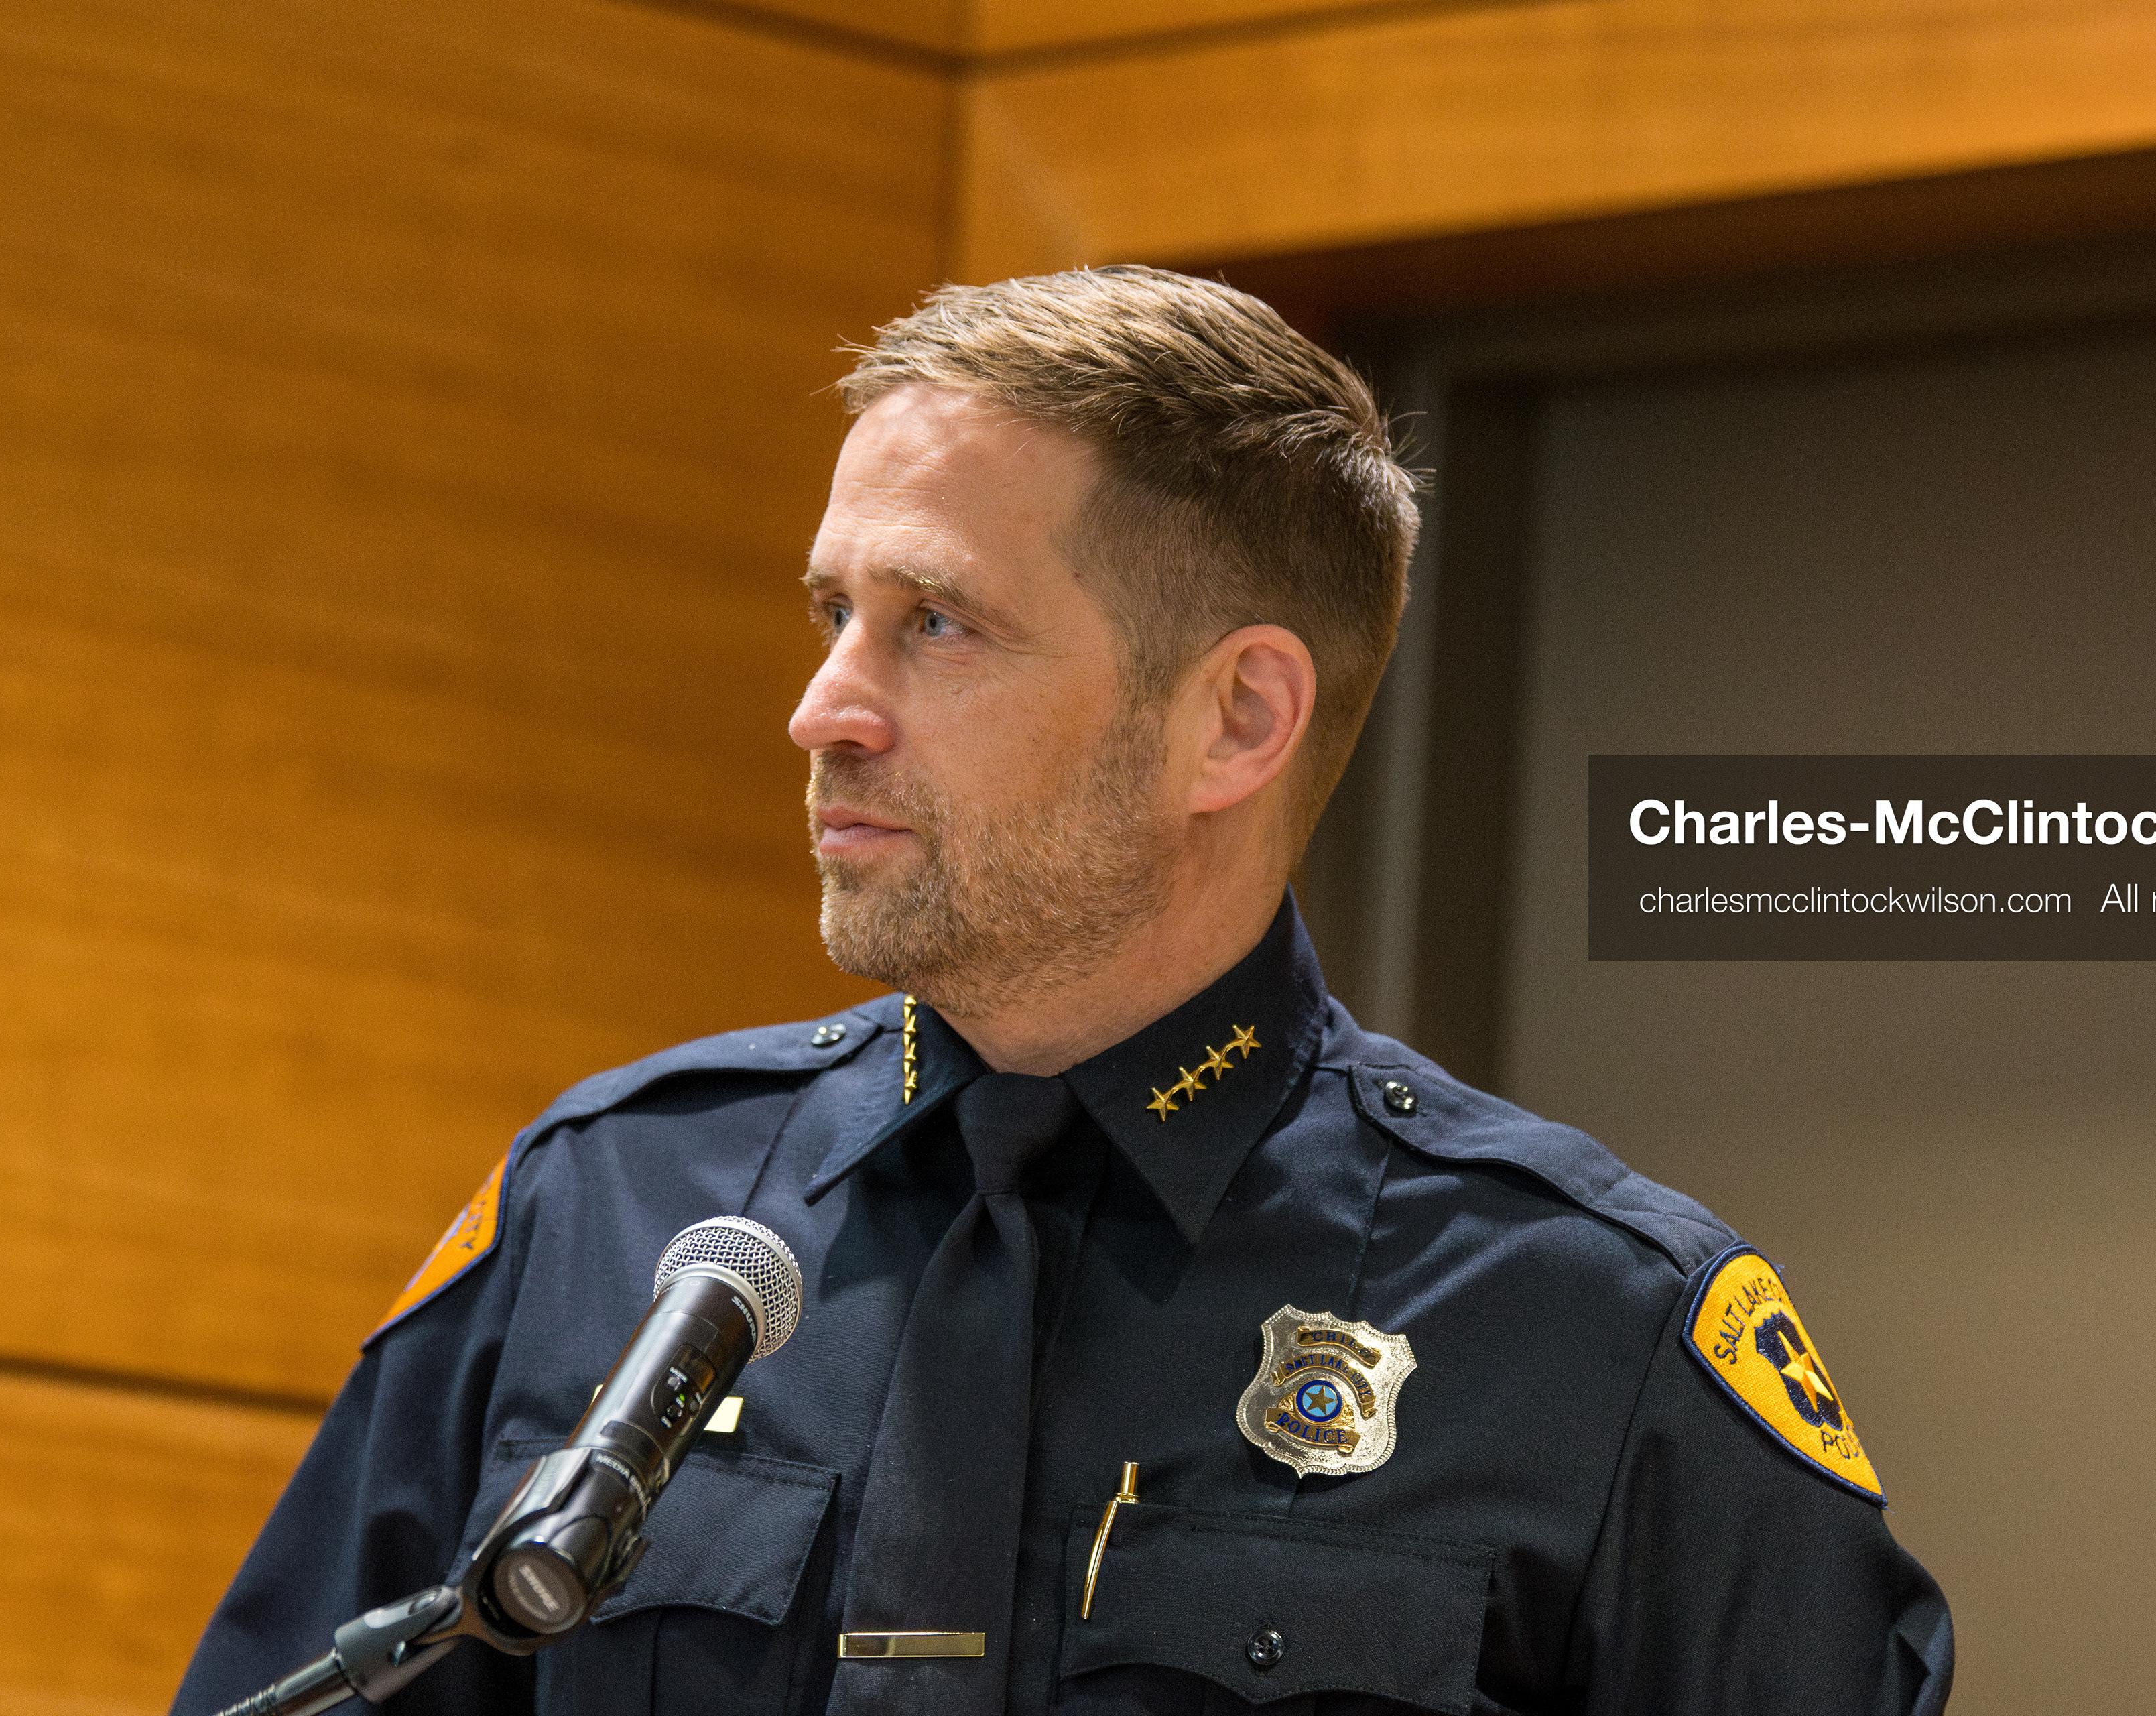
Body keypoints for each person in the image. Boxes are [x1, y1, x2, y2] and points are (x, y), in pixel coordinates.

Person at [173, 267, 1952, 1716]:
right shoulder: (617, 1206)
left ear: (1233, 720)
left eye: (937, 624)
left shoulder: (1592, 1333)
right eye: (832, 615)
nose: (826, 710)